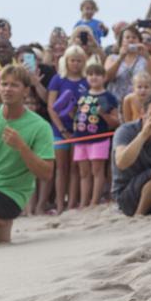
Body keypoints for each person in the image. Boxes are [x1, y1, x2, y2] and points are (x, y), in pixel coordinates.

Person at [0, 66, 54, 243]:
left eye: (14, 85)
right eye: (4, 84)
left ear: (26, 91)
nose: (7, 89)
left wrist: (22, 147)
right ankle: (2, 232)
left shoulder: (40, 126)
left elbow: (46, 174)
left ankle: (1, 223)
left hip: (11, 195)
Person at [71, 63, 119, 208]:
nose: (93, 77)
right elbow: (77, 115)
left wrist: (103, 114)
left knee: (97, 171)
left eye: (97, 74)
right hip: (80, 138)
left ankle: (94, 202)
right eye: (90, 74)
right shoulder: (83, 95)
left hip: (99, 139)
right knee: (83, 173)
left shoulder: (109, 97)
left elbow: (116, 122)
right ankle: (84, 202)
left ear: (104, 77)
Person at [46, 45, 88, 212]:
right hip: (59, 129)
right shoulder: (58, 79)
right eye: (72, 60)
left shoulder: (86, 81)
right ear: (67, 61)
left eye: (79, 61)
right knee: (60, 168)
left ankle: (71, 203)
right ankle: (59, 204)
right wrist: (63, 130)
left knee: (75, 168)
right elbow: (51, 107)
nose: (75, 64)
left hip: (80, 129)